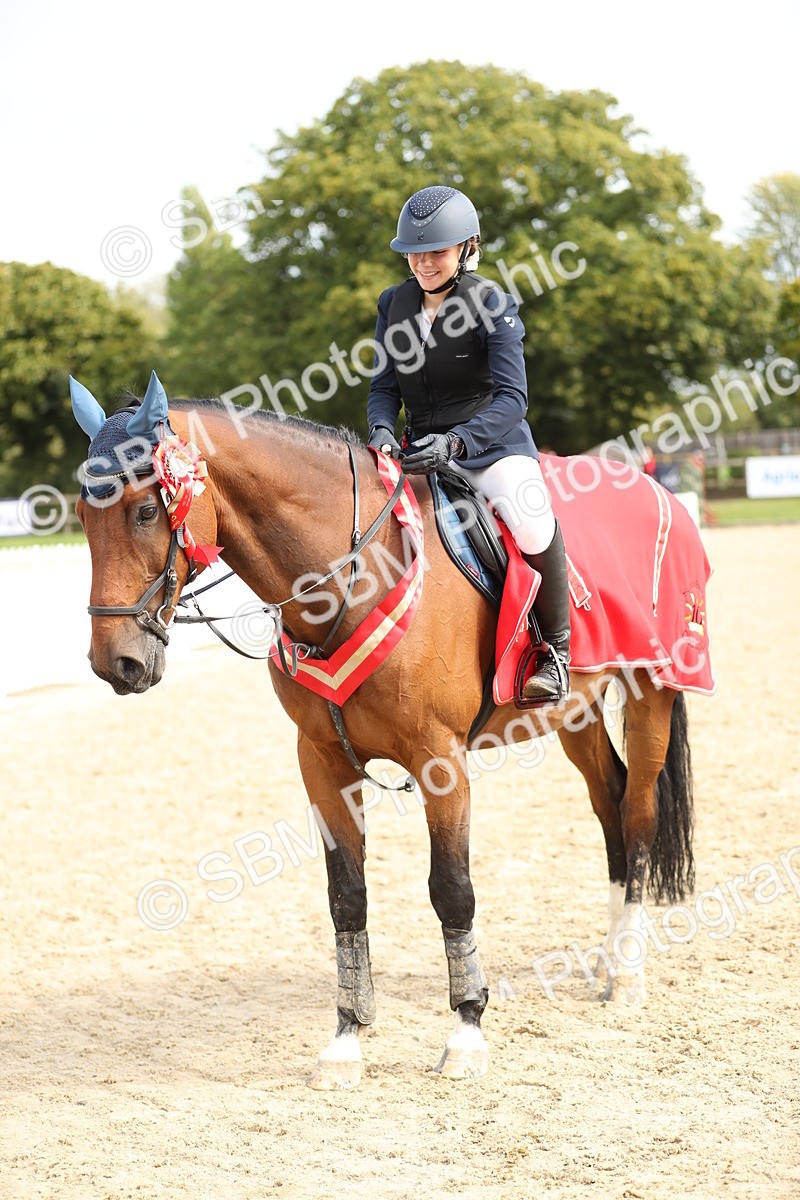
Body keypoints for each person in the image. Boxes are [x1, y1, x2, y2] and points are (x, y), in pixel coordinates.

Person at [367, 185, 570, 703]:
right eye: (414, 252)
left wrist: (456, 443)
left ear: (465, 248)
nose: (423, 262)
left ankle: (556, 652)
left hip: (490, 447)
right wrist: (384, 432)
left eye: (436, 251)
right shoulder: (394, 304)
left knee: (530, 519)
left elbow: (512, 398)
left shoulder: (492, 303)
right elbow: (384, 388)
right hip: (416, 451)